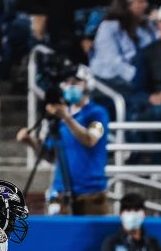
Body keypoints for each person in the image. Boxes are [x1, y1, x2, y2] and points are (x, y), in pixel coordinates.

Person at [18, 64, 110, 214]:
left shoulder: (97, 113)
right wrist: (31, 141)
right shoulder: (58, 117)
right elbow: (50, 155)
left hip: (91, 193)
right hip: (61, 191)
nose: (70, 86)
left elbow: (90, 140)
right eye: (67, 82)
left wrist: (66, 118)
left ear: (88, 84)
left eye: (76, 82)